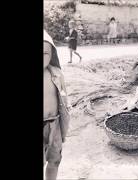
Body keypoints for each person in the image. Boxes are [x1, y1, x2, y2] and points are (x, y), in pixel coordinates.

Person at [44, 30, 71, 180]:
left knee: (54, 161)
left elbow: (63, 101)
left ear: (52, 54)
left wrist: (63, 126)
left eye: (45, 53)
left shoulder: (57, 74)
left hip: (54, 124)